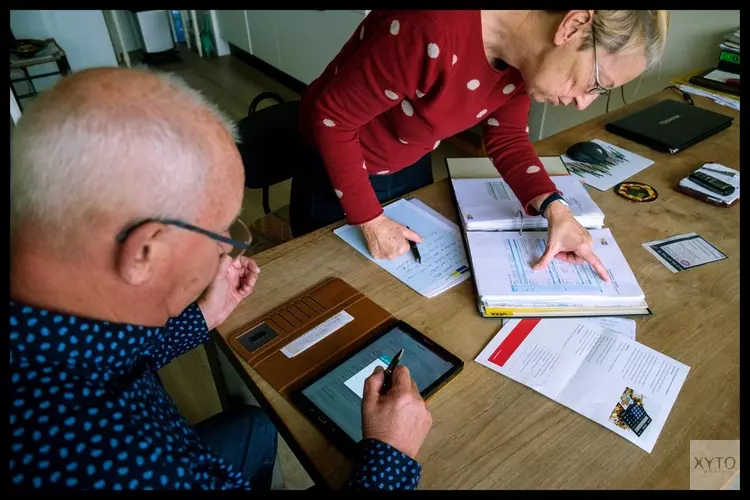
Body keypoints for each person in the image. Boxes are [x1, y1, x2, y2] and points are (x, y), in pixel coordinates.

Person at [9, 67, 432, 490]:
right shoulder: (121, 463)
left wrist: (199, 318)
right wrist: (389, 457)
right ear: (144, 251)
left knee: (253, 426)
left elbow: (108, 351)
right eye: (223, 232)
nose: (227, 249)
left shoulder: (55, 302)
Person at [292, 10, 669, 278]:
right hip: (337, 171)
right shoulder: (429, 27)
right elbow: (332, 119)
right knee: (335, 286)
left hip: (407, 158)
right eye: (595, 84)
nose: (583, 101)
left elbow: (506, 138)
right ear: (572, 26)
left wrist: (556, 209)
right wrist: (371, 222)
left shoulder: (522, 62)